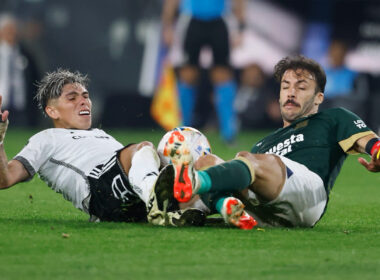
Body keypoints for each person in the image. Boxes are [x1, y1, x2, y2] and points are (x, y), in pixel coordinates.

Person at [151, 55, 380, 228]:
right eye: (285, 86)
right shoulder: (262, 145)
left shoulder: (332, 118)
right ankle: (200, 207)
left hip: (309, 196)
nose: (291, 93)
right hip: (263, 210)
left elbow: (370, 142)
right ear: (279, 95)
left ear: (319, 97)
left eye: (301, 87)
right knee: (208, 161)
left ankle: (195, 182)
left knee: (250, 160)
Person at [0, 69, 200, 225]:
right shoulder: (45, 139)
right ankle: (154, 199)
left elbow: (137, 168)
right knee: (144, 148)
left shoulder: (100, 134)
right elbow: (5, 178)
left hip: (130, 195)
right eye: (72, 98)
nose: (83, 102)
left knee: (197, 163)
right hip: (99, 189)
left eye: (85, 96)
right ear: (52, 111)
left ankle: (224, 203)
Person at [161, 0, 245, 143]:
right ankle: (183, 130)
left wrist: (241, 27)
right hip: (191, 19)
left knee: (222, 74)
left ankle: (229, 132)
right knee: (188, 74)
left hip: (219, 19)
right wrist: (168, 26)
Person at [0, 13, 41, 127]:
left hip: (21, 108)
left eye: (13, 30)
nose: (11, 33)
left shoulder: (27, 54)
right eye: (7, 30)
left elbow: (35, 80)